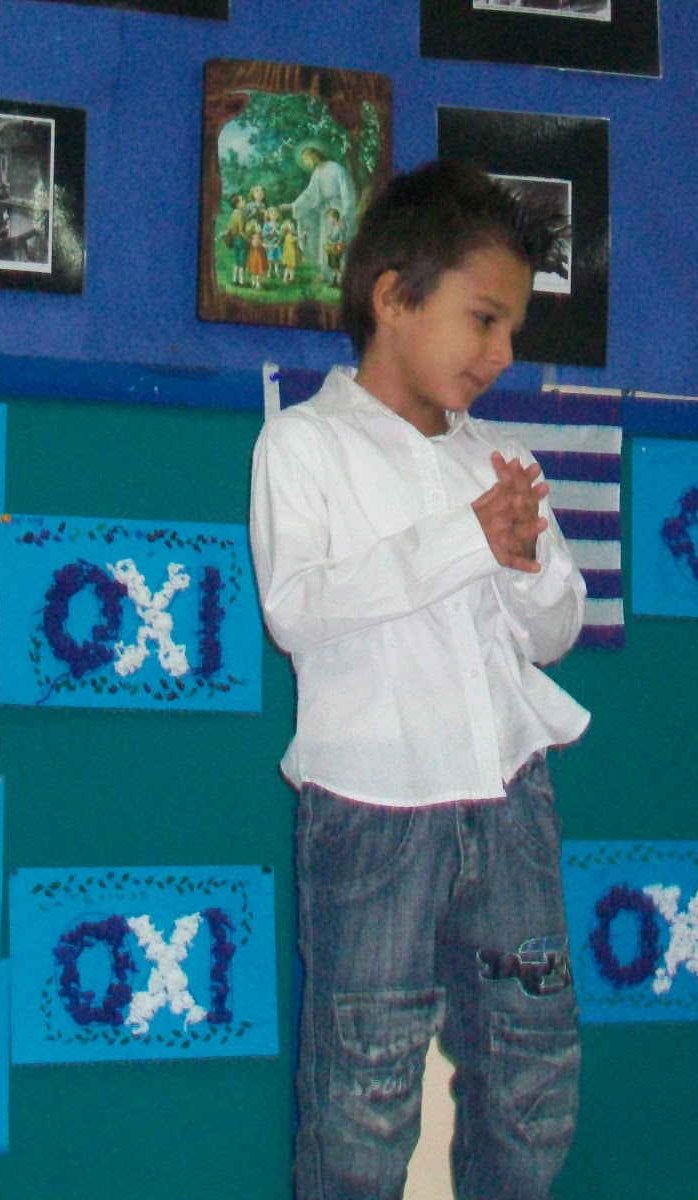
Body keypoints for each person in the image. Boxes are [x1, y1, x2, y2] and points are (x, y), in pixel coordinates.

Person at [249, 158, 588, 1200]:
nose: (503, 354)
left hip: (511, 796)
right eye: (483, 320)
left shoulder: (499, 460)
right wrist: (463, 542)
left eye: (513, 328)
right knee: (366, 1089)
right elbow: (296, 608)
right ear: (393, 298)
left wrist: (523, 563)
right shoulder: (302, 444)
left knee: (532, 1070)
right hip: (373, 807)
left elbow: (553, 635)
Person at [286, 143, 356, 269]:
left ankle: (342, 272)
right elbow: (309, 193)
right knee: (326, 239)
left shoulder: (335, 168)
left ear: (314, 155)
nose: (306, 163)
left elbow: (346, 190)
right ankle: (327, 271)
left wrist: (345, 214)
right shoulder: (317, 173)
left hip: (339, 207)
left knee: (339, 239)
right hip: (327, 210)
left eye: (306, 159)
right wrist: (294, 205)